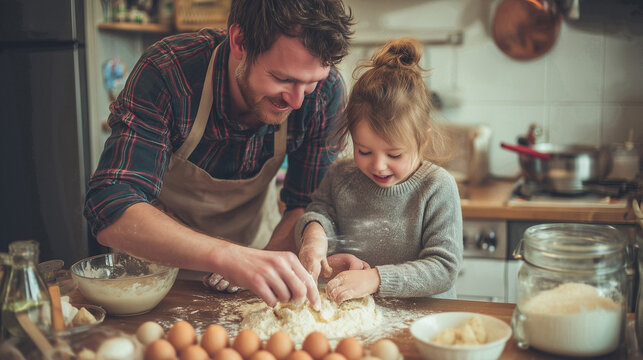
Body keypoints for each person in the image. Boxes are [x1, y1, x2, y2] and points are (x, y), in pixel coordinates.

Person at [84, 0, 355, 309]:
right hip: (153, 280)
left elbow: (305, 204)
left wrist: (265, 262)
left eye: (310, 83)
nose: (296, 101)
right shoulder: (169, 71)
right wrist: (229, 256)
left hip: (258, 263)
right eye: (283, 79)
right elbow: (110, 206)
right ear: (239, 41)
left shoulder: (325, 92)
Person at [296, 38, 463, 304]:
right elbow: (320, 212)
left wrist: (375, 279)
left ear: (423, 141)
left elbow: (444, 268)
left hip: (424, 322)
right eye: (364, 151)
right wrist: (314, 234)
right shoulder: (341, 176)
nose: (378, 165)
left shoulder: (437, 187)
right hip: (356, 317)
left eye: (394, 154)